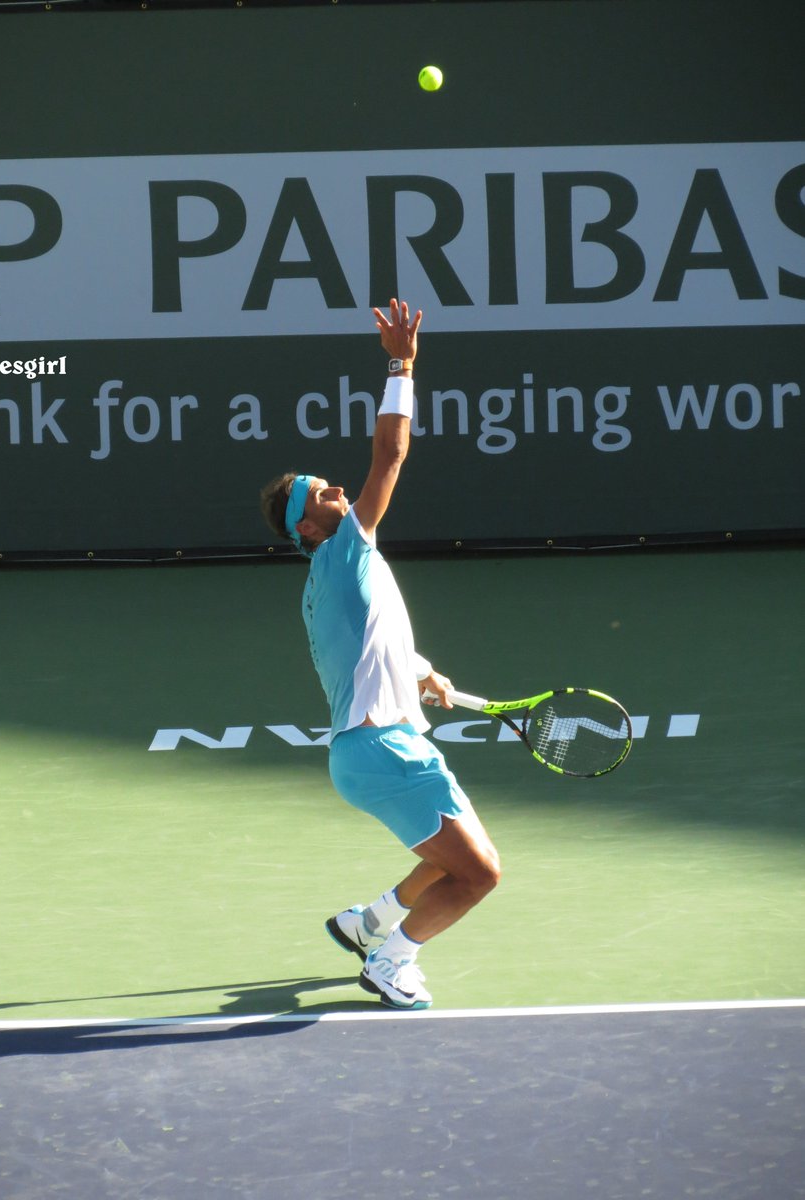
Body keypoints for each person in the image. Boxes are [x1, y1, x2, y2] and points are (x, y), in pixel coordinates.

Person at [259, 299, 500, 1010]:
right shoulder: (342, 548)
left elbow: (375, 642)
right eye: (322, 492)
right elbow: (390, 454)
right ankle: (391, 962)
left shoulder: (332, 578)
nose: (337, 487)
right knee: (479, 874)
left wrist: (422, 672)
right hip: (384, 750)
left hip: (368, 752)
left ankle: (370, 921)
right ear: (310, 524)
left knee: (449, 855)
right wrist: (401, 364)